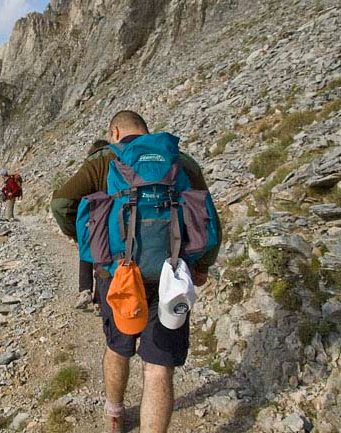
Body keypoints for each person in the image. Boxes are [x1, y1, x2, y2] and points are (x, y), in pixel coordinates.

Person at [51, 111, 221, 433]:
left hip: (117, 275)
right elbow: (209, 217)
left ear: (115, 131)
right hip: (171, 276)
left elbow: (60, 203)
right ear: (145, 129)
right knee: (158, 369)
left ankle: (115, 416)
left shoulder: (104, 161)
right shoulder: (179, 160)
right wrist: (201, 266)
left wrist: (86, 241)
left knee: (118, 348)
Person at [76, 139, 111, 311]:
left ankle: (84, 290)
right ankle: (99, 299)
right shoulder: (120, 166)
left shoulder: (91, 168)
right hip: (111, 222)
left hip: (91, 219)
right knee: (103, 258)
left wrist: (74, 230)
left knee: (85, 253)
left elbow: (65, 201)